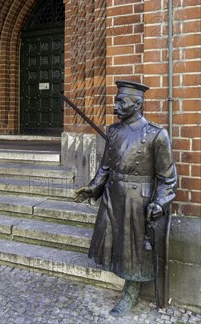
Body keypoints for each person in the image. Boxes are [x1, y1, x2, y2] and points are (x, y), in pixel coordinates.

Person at [74, 80, 177, 316]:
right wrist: (93, 188)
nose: (115, 106)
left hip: (138, 200)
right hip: (113, 195)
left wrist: (160, 202)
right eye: (116, 100)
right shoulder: (114, 131)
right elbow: (105, 167)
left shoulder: (156, 134)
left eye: (121, 102)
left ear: (138, 104)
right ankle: (122, 279)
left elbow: (168, 179)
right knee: (116, 244)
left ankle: (131, 292)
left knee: (135, 251)